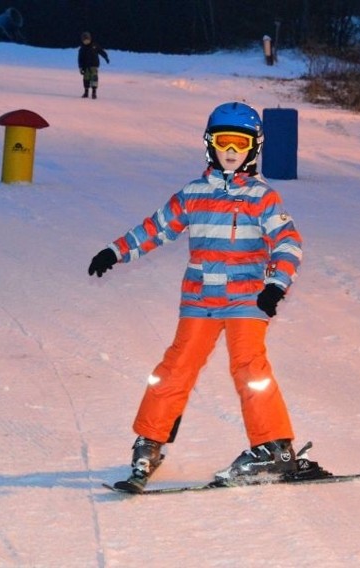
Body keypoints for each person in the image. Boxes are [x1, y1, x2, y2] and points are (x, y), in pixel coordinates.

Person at [88, 102, 323, 490]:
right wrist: (115, 251)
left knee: (250, 369)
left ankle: (274, 447)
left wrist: (276, 285)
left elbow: (288, 242)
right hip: (199, 297)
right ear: (209, 145)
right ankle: (150, 440)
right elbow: (155, 228)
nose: (231, 150)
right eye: (223, 142)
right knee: (175, 367)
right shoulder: (192, 193)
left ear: (254, 147)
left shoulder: (263, 197)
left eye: (240, 143)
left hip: (247, 296)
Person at [77, 32, 109, 99]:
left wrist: (106, 57)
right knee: (86, 79)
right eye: (84, 40)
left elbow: (101, 51)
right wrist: (80, 67)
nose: (86, 41)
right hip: (85, 66)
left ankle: (94, 92)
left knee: (94, 78)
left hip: (94, 65)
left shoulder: (95, 46)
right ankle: (86, 92)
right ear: (82, 41)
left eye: (87, 40)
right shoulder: (82, 48)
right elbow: (80, 58)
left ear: (90, 39)